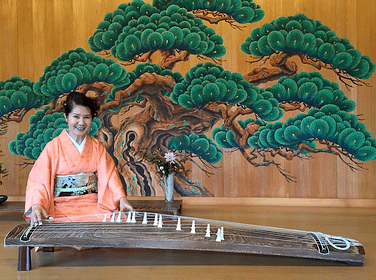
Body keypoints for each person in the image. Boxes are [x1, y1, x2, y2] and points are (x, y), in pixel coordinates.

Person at [24, 91, 133, 226]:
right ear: (66, 117)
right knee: (67, 230)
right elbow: (39, 181)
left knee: (115, 224)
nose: (81, 122)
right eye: (76, 116)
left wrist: (121, 198)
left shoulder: (97, 147)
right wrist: (37, 204)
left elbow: (110, 176)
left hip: (92, 206)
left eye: (86, 117)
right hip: (61, 208)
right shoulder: (52, 148)